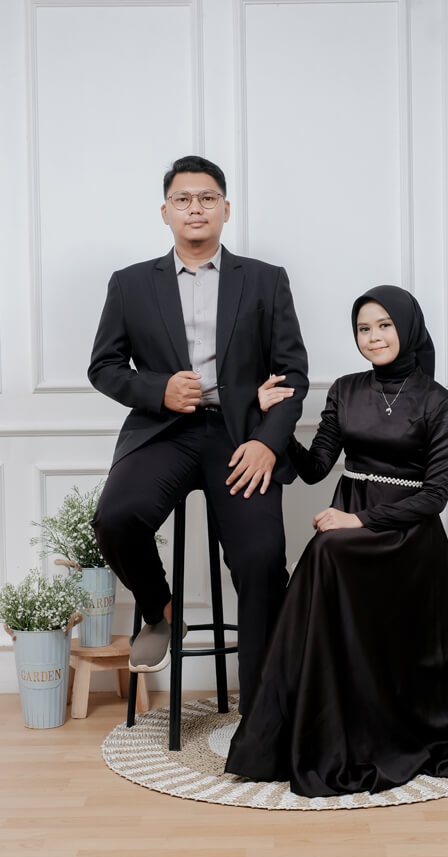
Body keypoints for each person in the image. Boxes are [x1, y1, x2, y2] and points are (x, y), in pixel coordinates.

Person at [225, 285, 448, 796]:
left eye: (384, 325)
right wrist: (270, 420)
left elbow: (435, 497)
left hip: (407, 540)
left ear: (408, 328)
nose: (373, 337)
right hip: (348, 528)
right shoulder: (345, 390)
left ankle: (327, 729)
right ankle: (293, 732)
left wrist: (358, 521)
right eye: (363, 328)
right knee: (324, 552)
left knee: (326, 549)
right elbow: (314, 468)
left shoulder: (441, 402)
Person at [88, 156, 308, 712]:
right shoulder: (130, 283)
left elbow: (293, 375)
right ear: (165, 212)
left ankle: (264, 712)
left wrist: (267, 442)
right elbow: (104, 367)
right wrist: (158, 389)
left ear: (225, 209)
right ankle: (160, 611)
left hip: (241, 437)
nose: (195, 208)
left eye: (207, 198)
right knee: (115, 519)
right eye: (182, 199)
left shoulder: (265, 279)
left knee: (261, 559)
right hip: (163, 432)